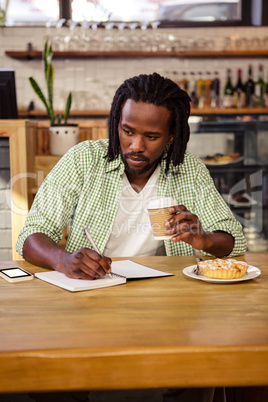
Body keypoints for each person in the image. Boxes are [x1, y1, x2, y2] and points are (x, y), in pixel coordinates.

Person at [17, 72, 246, 402]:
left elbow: (233, 240)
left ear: (171, 136)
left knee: (202, 366)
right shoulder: (84, 159)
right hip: (87, 298)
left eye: (152, 136)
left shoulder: (189, 169)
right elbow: (31, 233)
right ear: (116, 124)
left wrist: (204, 239)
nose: (136, 146)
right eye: (127, 132)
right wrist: (62, 259)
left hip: (169, 304)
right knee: (47, 374)